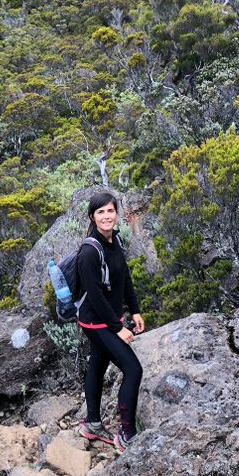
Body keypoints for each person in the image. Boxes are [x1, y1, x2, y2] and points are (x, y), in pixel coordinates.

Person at [75, 191, 145, 453]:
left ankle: (92, 423)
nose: (106, 216)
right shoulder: (89, 252)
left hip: (109, 318)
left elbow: (124, 277)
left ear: (117, 213)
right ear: (92, 216)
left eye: (110, 211)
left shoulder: (114, 239)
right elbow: (93, 294)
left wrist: (134, 310)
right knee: (133, 369)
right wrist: (118, 329)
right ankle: (127, 435)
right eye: (100, 212)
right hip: (95, 322)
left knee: (98, 363)